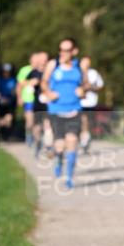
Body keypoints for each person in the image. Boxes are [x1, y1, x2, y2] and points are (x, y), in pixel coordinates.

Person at [41, 38, 86, 189]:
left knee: (72, 141)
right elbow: (44, 82)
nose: (63, 53)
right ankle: (59, 160)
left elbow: (86, 84)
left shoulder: (79, 66)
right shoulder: (53, 65)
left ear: (74, 51)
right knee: (60, 146)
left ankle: (69, 178)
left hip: (74, 109)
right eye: (61, 50)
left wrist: (83, 90)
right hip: (56, 110)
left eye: (66, 50)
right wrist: (48, 92)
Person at [79, 55, 105, 153]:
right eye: (84, 62)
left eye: (87, 62)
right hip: (78, 102)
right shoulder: (76, 72)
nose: (86, 64)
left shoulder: (94, 73)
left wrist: (92, 88)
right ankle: (83, 139)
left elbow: (100, 86)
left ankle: (86, 138)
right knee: (81, 121)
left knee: (87, 122)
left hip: (91, 102)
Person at [0, 63, 18, 140]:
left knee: (8, 119)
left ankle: (5, 135)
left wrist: (11, 98)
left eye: (8, 71)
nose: (6, 73)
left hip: (10, 103)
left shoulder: (13, 80)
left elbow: (14, 91)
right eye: (5, 71)